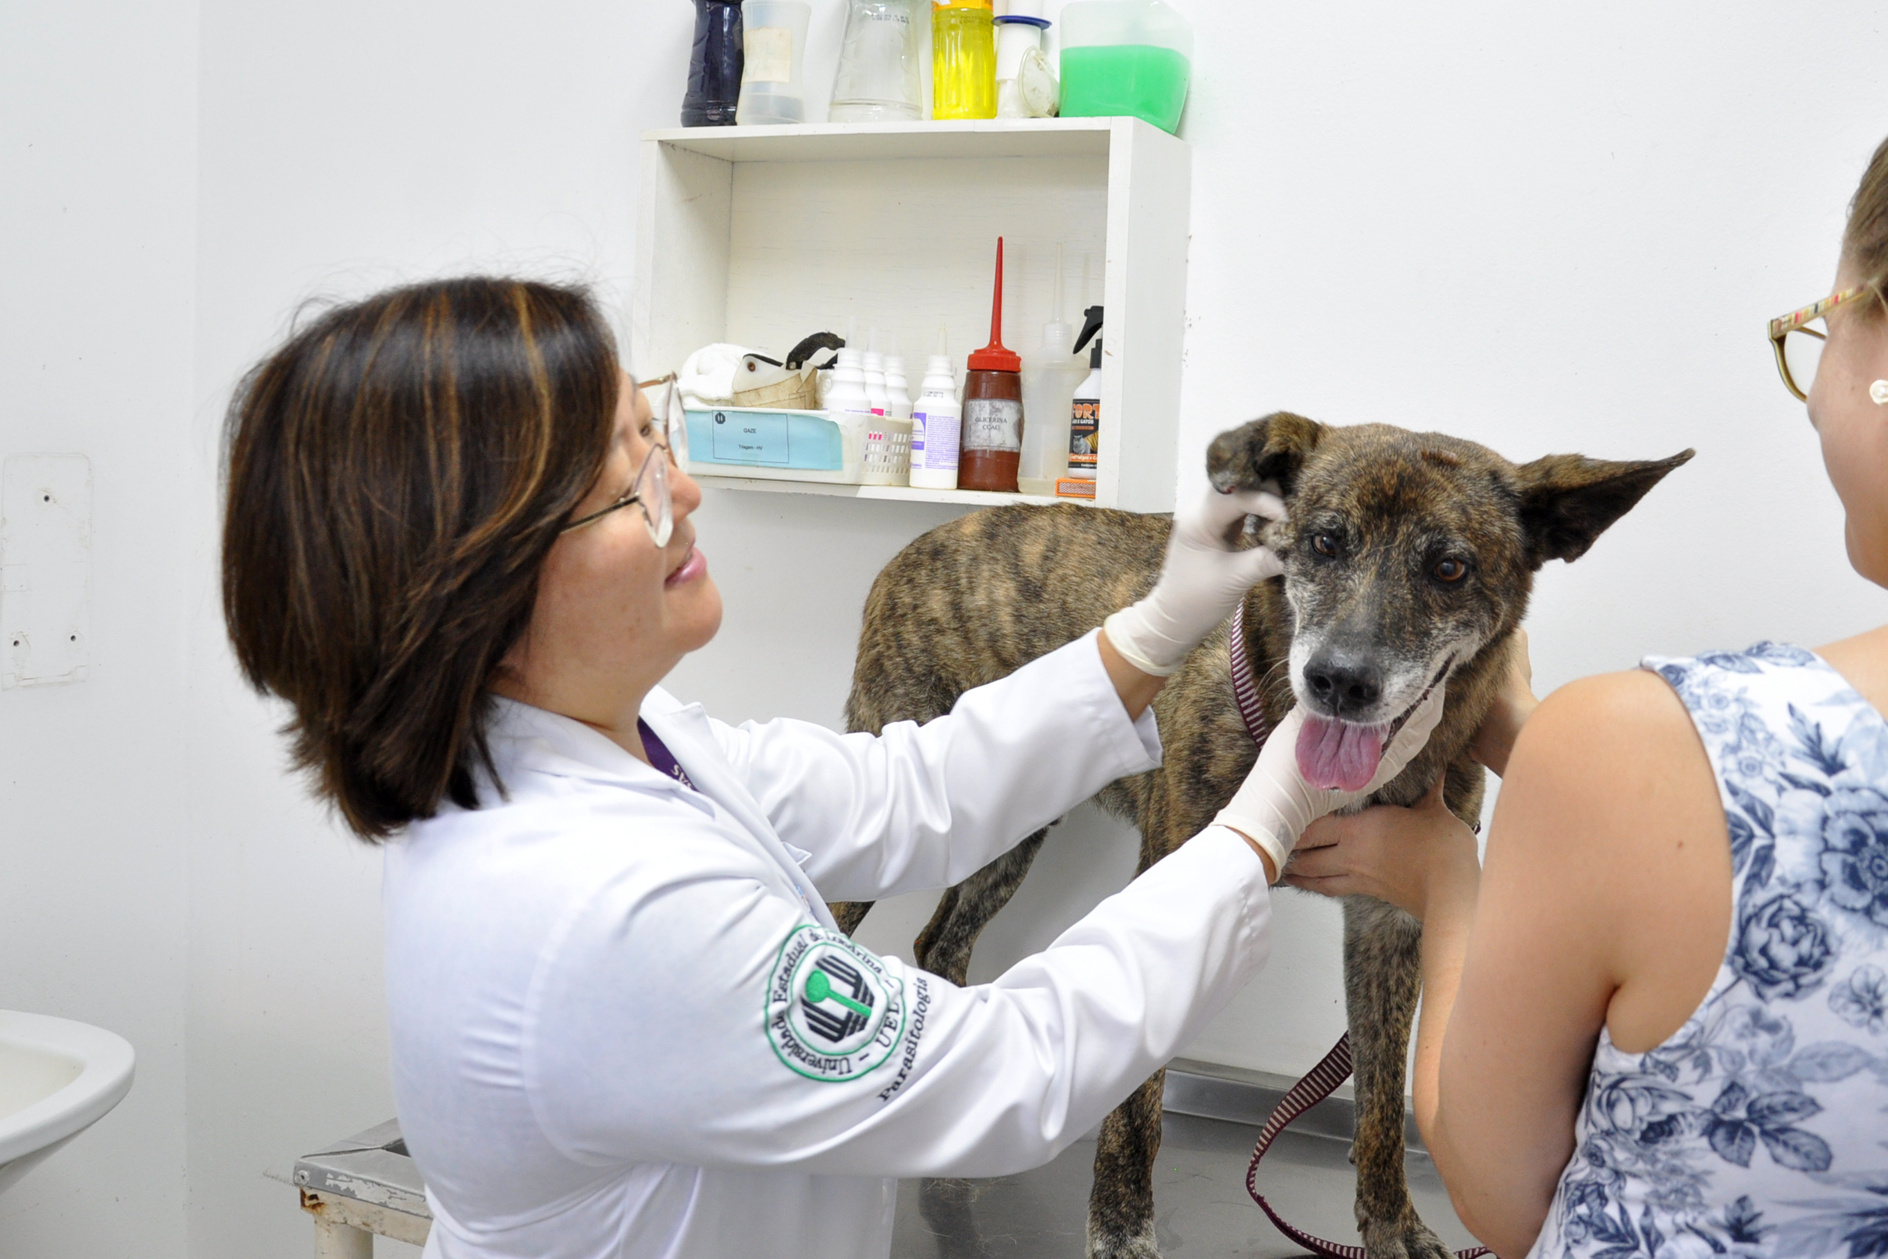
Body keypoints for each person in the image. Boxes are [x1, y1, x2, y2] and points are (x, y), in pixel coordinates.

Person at [218, 277, 1440, 1259]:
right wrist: (1271, 805)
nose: (683, 491)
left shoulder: (633, 742)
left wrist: (1157, 627)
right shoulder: (589, 912)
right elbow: (1005, 1070)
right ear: (469, 590)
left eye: (657, 434)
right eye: (623, 488)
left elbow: (911, 791)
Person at [1288, 134, 1888, 1259]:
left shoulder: (1630, 743)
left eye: (1816, 326)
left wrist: (1445, 879)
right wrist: (1526, 739)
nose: (1811, 391)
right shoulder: (1624, 757)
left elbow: (1497, 1192)